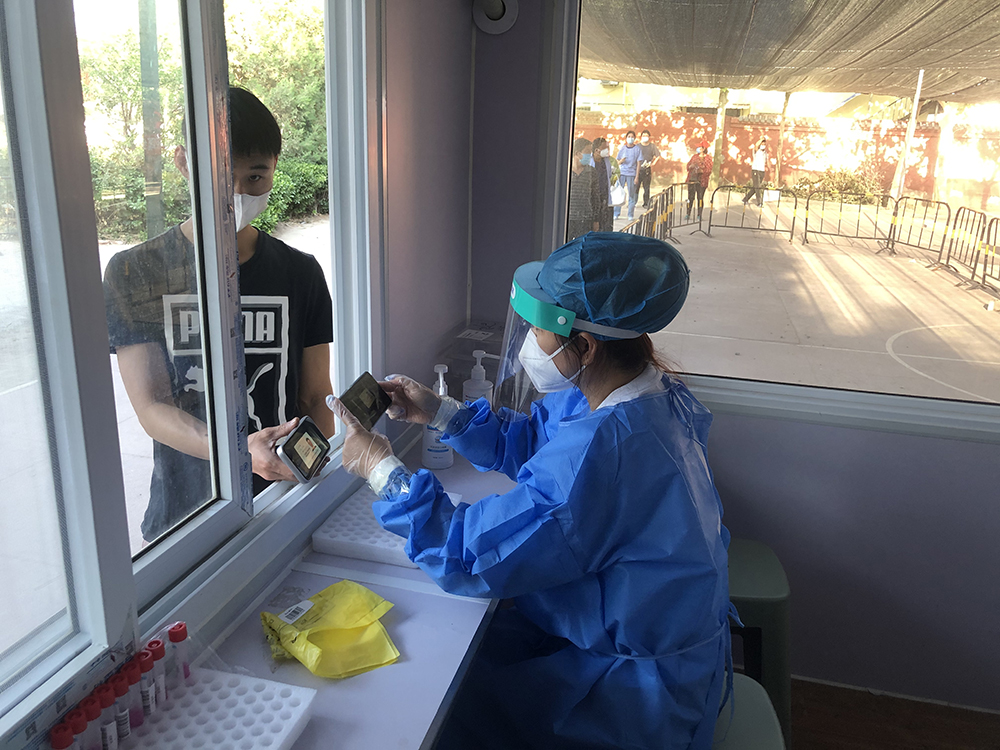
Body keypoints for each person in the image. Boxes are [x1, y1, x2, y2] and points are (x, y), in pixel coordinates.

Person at [330, 233, 735, 750]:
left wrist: (381, 470)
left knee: (436, 714)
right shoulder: (641, 393)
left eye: (540, 331)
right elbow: (540, 442)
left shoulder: (604, 451)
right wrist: (440, 412)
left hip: (633, 702)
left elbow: (469, 557)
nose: (530, 344)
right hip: (638, 643)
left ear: (584, 346)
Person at [103, 87, 336, 542]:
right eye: (221, 174)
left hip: (282, 498)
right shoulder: (136, 272)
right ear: (183, 163)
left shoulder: (300, 272)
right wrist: (238, 452)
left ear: (274, 168)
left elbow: (314, 397)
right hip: (187, 514)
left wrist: (314, 462)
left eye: (256, 175)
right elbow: (151, 406)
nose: (238, 193)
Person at [567, 137, 601, 240]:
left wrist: (596, 220)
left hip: (585, 219)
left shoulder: (591, 172)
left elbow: (595, 197)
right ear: (577, 153)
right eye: (587, 152)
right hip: (568, 218)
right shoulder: (565, 171)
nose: (590, 155)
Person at [615, 130, 643, 220]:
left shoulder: (637, 149)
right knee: (619, 193)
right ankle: (616, 213)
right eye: (629, 137)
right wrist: (621, 161)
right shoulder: (623, 148)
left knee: (632, 195)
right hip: (622, 173)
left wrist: (637, 176)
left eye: (632, 137)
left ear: (634, 138)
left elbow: (639, 163)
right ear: (626, 138)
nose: (630, 138)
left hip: (631, 174)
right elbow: (617, 161)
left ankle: (630, 214)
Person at [591, 136, 618, 232]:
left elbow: (609, 176)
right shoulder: (590, 161)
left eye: (607, 147)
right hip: (593, 198)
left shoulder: (606, 160)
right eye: (604, 148)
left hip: (605, 197)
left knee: (606, 226)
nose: (607, 150)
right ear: (597, 150)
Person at [686, 140, 713, 221]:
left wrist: (701, 171)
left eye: (700, 147)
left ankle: (699, 214)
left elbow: (709, 170)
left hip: (702, 181)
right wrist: (690, 166)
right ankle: (688, 213)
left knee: (700, 197)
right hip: (692, 179)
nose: (698, 148)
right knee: (690, 197)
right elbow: (688, 166)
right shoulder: (694, 156)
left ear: (704, 148)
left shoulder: (708, 158)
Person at [637, 129, 661, 208]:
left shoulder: (652, 146)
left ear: (649, 137)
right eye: (643, 136)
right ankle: (633, 202)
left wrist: (653, 163)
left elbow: (658, 155)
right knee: (636, 187)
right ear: (641, 137)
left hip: (647, 169)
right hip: (638, 169)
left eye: (646, 136)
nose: (645, 137)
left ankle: (646, 203)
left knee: (646, 187)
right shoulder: (637, 146)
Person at [743, 136, 768, 207]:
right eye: (762, 144)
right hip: (755, 170)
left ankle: (745, 199)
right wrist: (761, 139)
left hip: (762, 171)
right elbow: (756, 145)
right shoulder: (757, 151)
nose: (763, 145)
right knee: (758, 187)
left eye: (764, 144)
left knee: (755, 187)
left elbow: (765, 161)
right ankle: (759, 202)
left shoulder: (765, 153)